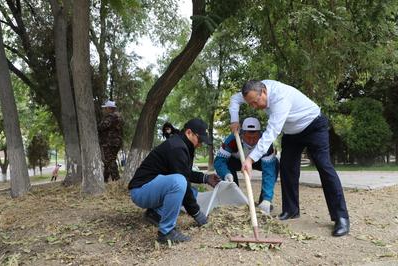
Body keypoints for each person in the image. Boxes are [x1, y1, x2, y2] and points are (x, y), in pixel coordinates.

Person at [229, 80, 349, 237]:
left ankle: (341, 218)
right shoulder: (254, 90)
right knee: (287, 168)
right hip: (292, 132)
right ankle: (291, 210)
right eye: (250, 103)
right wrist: (234, 119)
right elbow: (234, 99)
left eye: (256, 102)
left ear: (264, 92)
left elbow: (271, 133)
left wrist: (250, 159)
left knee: (324, 167)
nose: (254, 106)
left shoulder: (280, 98)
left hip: (313, 125)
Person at [128, 118, 220, 243]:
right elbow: (183, 179)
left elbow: (185, 173)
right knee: (179, 183)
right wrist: (197, 214)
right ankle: (166, 232)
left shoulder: (183, 145)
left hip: (151, 188)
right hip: (141, 190)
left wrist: (205, 178)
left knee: (191, 192)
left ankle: (154, 214)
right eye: (200, 139)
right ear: (189, 133)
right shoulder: (177, 147)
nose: (201, 144)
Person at [214, 117, 278, 214]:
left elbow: (269, 172)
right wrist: (225, 173)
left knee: (275, 164)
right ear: (242, 134)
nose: (251, 141)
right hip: (237, 161)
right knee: (227, 163)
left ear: (260, 135)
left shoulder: (266, 143)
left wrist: (267, 198)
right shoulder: (232, 140)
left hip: (259, 162)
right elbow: (219, 161)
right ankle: (235, 198)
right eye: (248, 137)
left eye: (254, 138)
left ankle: (264, 201)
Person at [98, 100, 124, 182]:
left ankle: (116, 180)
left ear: (109, 108)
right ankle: (105, 180)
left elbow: (102, 127)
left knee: (110, 160)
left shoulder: (111, 117)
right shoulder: (118, 117)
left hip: (110, 142)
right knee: (107, 161)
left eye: (105, 108)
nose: (104, 110)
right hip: (115, 142)